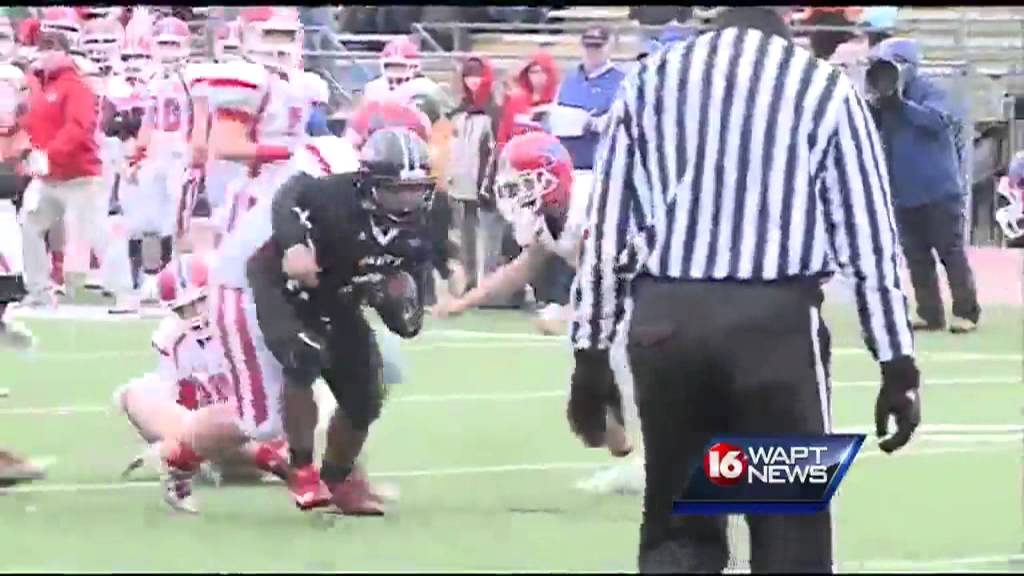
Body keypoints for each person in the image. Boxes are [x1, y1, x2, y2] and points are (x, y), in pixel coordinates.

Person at [568, 7, 922, 572]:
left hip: (668, 327)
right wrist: (896, 361)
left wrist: (590, 352)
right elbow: (868, 237)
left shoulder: (650, 79)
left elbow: (607, 230)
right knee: (788, 531)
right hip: (772, 332)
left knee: (679, 532)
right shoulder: (822, 86)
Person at [434, 132, 642, 494]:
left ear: (554, 178)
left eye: (526, 184)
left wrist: (567, 314)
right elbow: (524, 266)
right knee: (594, 393)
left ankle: (656, 465)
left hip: (658, 283)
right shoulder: (548, 215)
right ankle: (638, 453)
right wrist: (464, 302)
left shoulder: (597, 206)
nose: (518, 194)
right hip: (623, 292)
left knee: (629, 366)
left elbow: (613, 281)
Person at [249, 127, 436, 515]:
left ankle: (336, 479)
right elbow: (289, 193)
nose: (406, 201)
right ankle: (301, 469)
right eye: (395, 191)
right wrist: (295, 246)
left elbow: (408, 321)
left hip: (338, 295)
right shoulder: (336, 195)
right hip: (283, 286)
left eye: (415, 190)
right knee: (305, 355)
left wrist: (393, 300)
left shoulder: (424, 226)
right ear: (369, 184)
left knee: (367, 393)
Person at [113, 253, 290, 495]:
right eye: (184, 309)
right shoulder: (173, 338)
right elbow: (172, 403)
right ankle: (186, 451)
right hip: (204, 434)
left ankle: (189, 453)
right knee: (133, 394)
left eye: (201, 301)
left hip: (254, 431)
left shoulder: (249, 322)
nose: (196, 314)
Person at [866, 37, 981, 334]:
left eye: (895, 64)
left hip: (939, 190)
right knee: (916, 257)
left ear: (910, 66)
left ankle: (966, 312)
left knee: (950, 252)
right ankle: (930, 313)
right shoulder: (884, 102)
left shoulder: (930, 91)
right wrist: (874, 105)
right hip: (903, 192)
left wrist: (902, 105)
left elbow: (939, 121)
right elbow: (868, 129)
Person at [19, 29, 103, 307]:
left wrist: (49, 154)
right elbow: (30, 125)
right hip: (49, 178)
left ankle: (79, 294)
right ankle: (38, 291)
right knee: (30, 224)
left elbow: (78, 128)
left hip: (80, 178)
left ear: (66, 54)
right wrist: (29, 153)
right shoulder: (37, 88)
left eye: (53, 48)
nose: (47, 54)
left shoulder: (76, 87)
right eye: (43, 48)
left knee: (80, 237)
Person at [447, 55, 500, 295]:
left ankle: (487, 282)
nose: (473, 81)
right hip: (462, 178)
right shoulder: (459, 113)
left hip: (485, 179)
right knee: (466, 231)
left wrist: (488, 180)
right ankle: (470, 279)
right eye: (468, 76)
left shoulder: (493, 113)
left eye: (477, 76)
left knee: (487, 232)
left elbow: (495, 147)